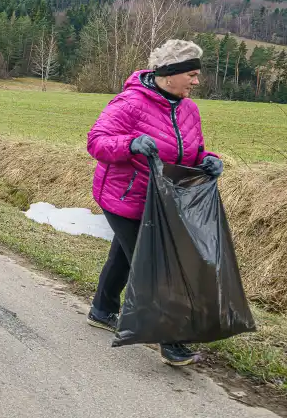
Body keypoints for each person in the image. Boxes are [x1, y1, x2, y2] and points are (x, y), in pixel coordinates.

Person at [86, 39, 224, 367]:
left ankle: (101, 310)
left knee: (123, 254)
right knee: (155, 265)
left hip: (160, 200)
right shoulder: (130, 102)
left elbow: (192, 151)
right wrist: (131, 143)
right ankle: (173, 340)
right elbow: (96, 141)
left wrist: (208, 160)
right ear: (169, 75)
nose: (196, 81)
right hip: (123, 196)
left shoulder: (188, 108)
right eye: (191, 74)